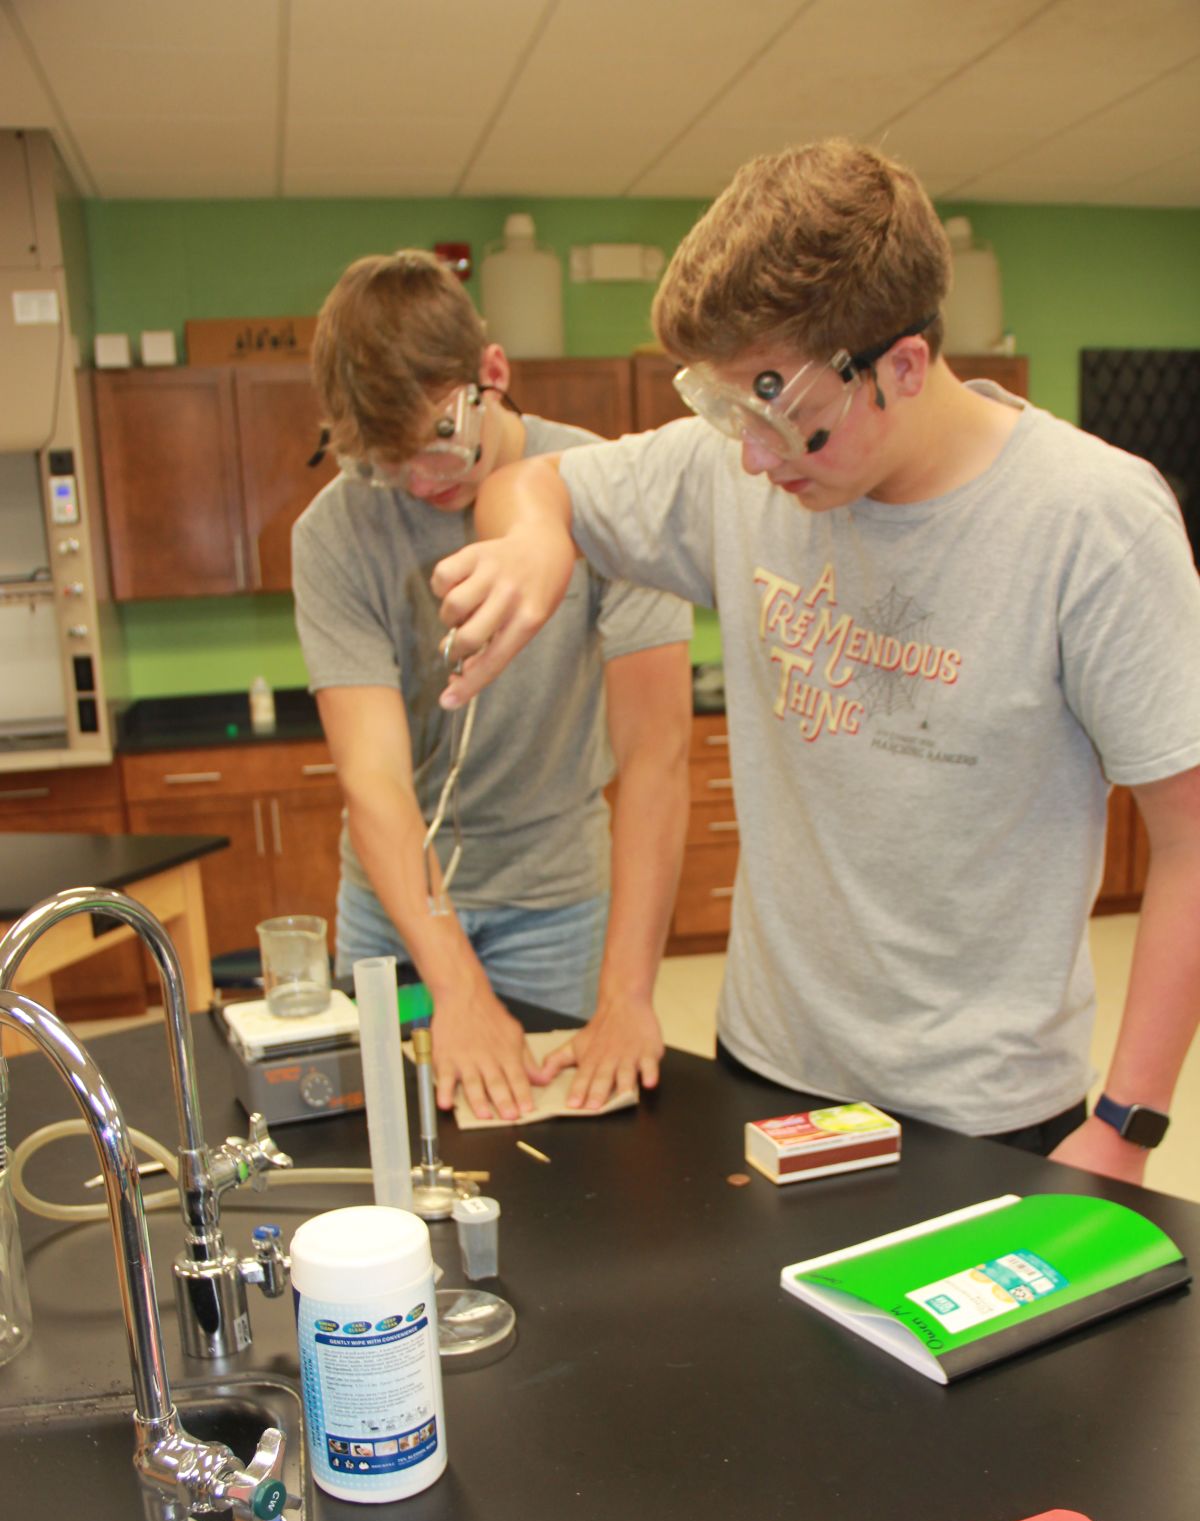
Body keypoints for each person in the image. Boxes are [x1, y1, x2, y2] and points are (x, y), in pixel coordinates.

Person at [430, 139, 1200, 1184]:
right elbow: (540, 483)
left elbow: (1190, 840)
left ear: (905, 366)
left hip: (987, 1114)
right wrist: (530, 537)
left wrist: (1126, 1123)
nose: (751, 455)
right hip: (770, 1078)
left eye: (779, 412)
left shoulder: (1093, 523)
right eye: (725, 409)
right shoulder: (744, 471)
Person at [292, 249, 693, 1122]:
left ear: (493, 375)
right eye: (390, 463)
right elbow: (375, 783)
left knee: (557, 1171)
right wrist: (458, 993)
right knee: (389, 1150)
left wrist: (628, 995)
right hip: (390, 910)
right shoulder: (333, 533)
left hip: (556, 903)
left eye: (440, 439)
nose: (426, 483)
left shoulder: (607, 494)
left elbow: (655, 758)